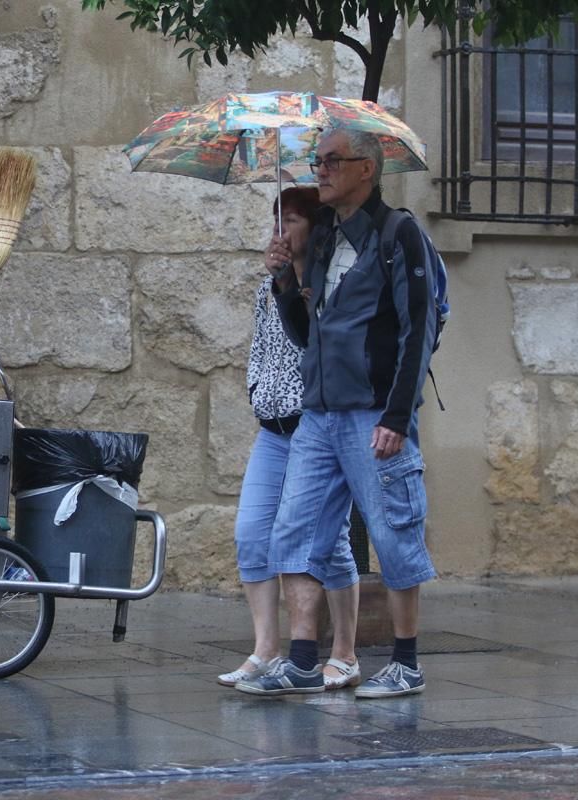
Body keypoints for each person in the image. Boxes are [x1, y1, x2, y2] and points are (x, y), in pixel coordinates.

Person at [236, 129, 438, 699]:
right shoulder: (324, 241)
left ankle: (405, 663)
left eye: (330, 162)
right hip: (319, 415)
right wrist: (283, 281)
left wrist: (397, 416)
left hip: (372, 411)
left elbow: (416, 330)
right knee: (294, 534)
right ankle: (302, 659)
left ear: (366, 169)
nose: (319, 171)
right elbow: (308, 336)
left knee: (395, 531)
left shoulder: (400, 235)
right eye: (317, 161)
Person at [218, 187, 361, 693]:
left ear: (316, 226)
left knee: (326, 543)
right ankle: (265, 650)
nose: (280, 229)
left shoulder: (331, 283)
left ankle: (343, 653)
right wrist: (257, 390)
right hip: (273, 429)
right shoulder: (267, 286)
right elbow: (261, 345)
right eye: (276, 218)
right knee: (251, 534)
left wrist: (296, 285)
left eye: (293, 219)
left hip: (316, 428)